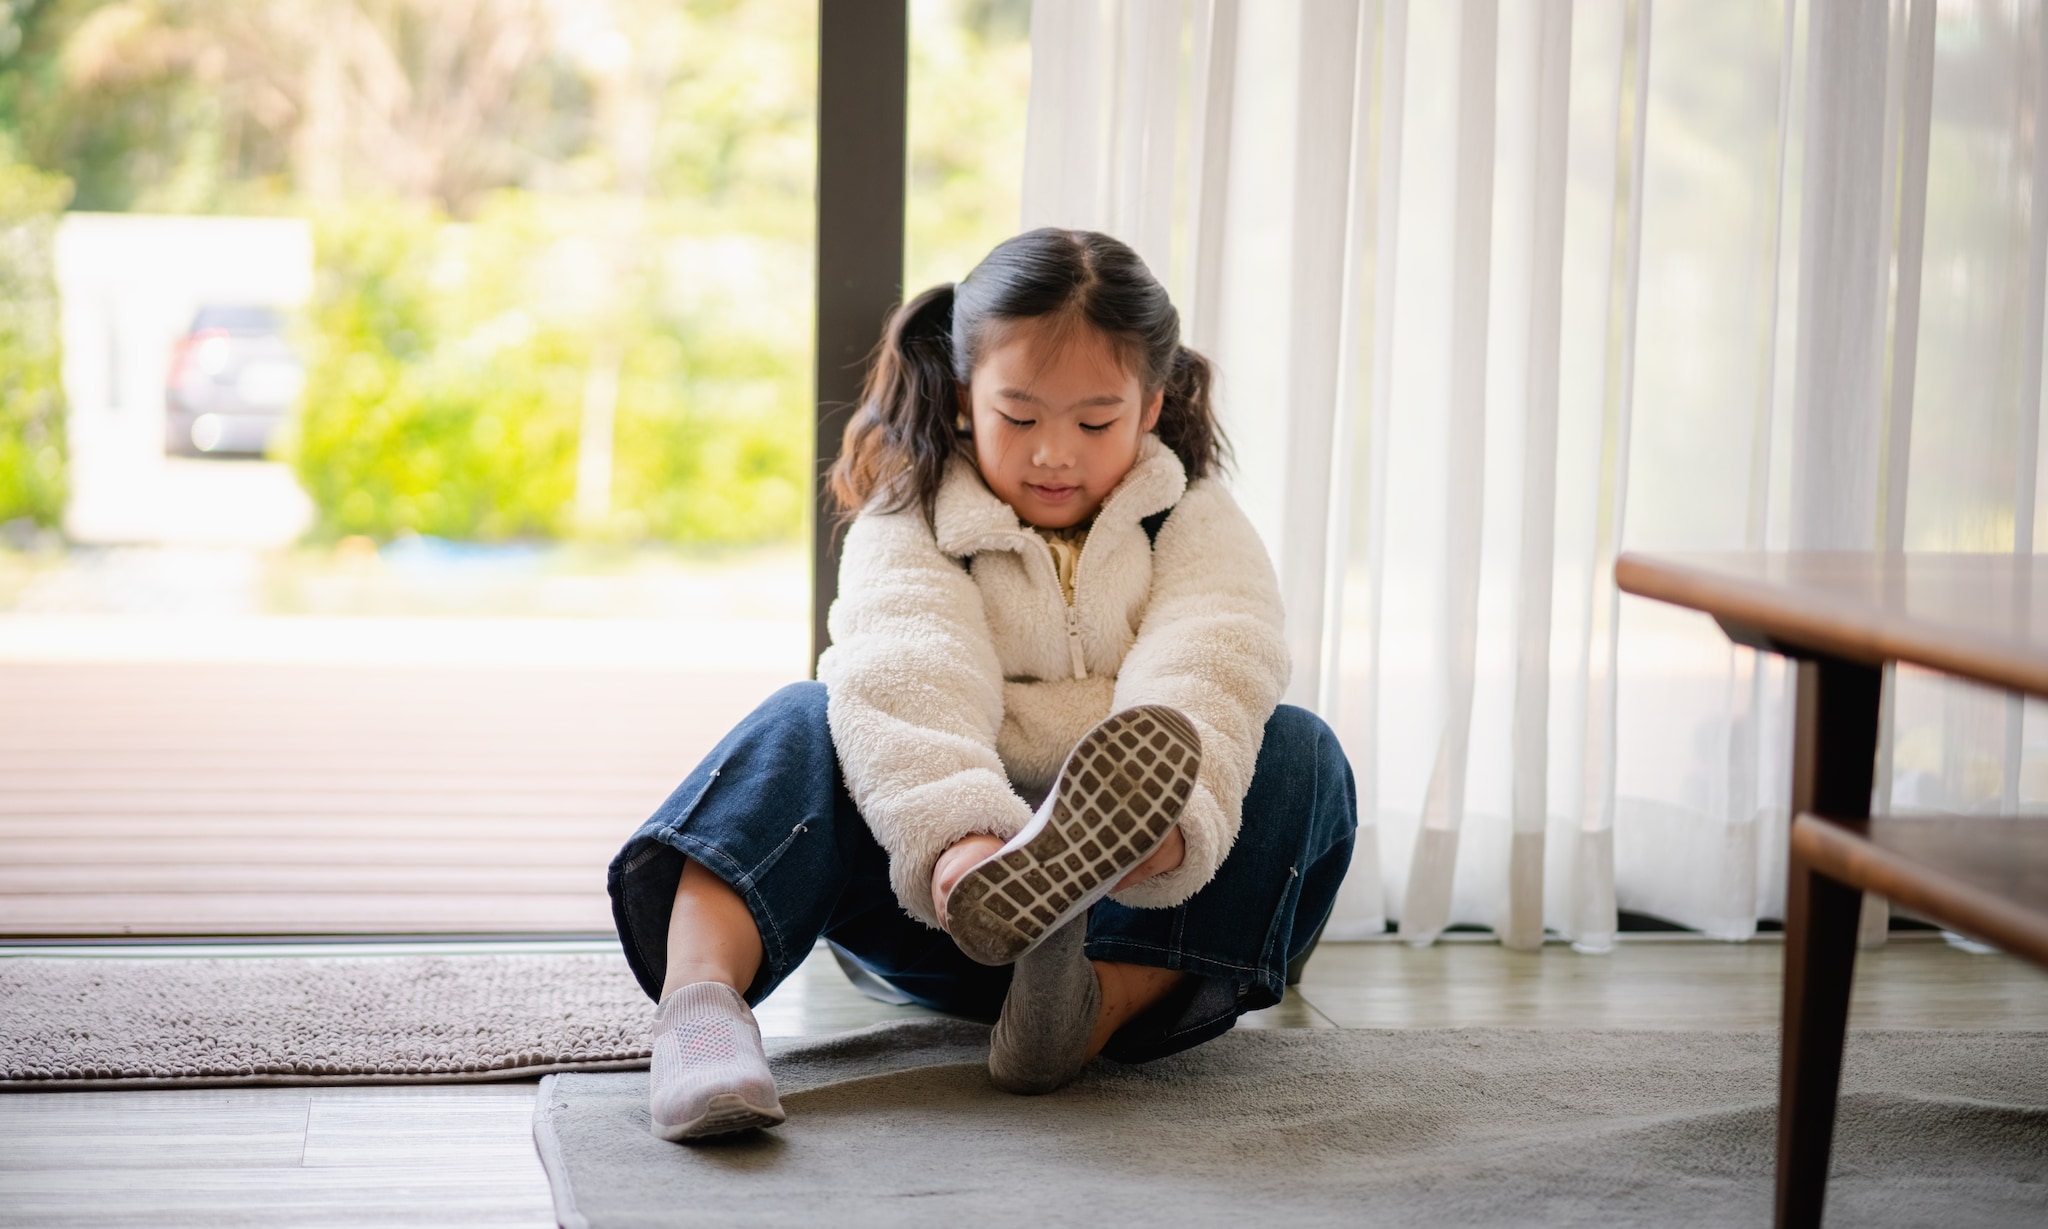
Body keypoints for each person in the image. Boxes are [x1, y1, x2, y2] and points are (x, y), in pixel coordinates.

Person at [607, 227, 1357, 1142]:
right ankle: (702, 1014)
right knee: (807, 717)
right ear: (966, 396)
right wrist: (961, 847)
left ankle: (1082, 1012)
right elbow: (910, 669)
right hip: (945, 891)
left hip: (1136, 912)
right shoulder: (916, 514)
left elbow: (1215, 655)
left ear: (1151, 406)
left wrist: (1164, 829)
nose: (1053, 453)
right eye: (1020, 415)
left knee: (1300, 748)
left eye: (1092, 423)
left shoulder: (1193, 518)